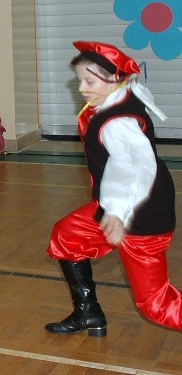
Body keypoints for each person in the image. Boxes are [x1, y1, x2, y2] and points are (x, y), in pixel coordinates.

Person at [45, 41, 180, 336]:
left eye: (89, 81)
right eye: (80, 80)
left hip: (139, 214)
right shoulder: (120, 96)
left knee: (157, 305)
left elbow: (134, 168)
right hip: (115, 206)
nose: (82, 88)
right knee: (67, 236)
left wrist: (117, 213)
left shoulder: (118, 123)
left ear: (113, 79)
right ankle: (88, 313)